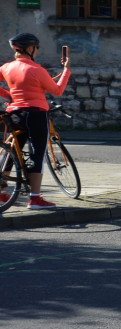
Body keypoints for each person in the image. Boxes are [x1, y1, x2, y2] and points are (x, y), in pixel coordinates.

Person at [0, 33, 71, 208]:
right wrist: (66, 70)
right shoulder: (37, 70)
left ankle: (2, 193)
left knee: (13, 151)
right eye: (36, 48)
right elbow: (58, 90)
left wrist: (8, 95)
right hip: (36, 114)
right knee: (36, 153)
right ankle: (35, 198)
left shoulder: (6, 67)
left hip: (14, 113)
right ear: (30, 49)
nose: (37, 51)